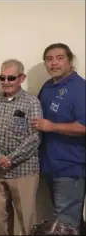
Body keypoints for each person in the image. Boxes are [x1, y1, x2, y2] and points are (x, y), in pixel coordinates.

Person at [0, 59, 42, 235]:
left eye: (11, 78)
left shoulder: (31, 102)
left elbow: (35, 136)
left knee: (27, 218)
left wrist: (11, 158)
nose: (6, 82)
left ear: (21, 78)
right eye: (2, 78)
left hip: (24, 171)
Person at [33, 43, 85, 231]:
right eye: (49, 59)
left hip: (70, 166)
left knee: (65, 223)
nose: (54, 63)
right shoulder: (48, 86)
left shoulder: (80, 88)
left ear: (70, 61)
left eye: (59, 58)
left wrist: (52, 126)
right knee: (63, 219)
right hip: (49, 164)